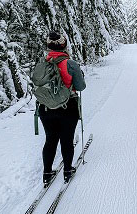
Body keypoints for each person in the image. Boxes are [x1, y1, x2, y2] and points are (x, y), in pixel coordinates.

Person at [39, 31, 86, 184]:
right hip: (68, 107)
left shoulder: (42, 62)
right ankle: (67, 170)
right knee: (67, 139)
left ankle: (47, 173)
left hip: (45, 108)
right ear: (64, 45)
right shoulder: (70, 64)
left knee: (50, 140)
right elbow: (80, 86)